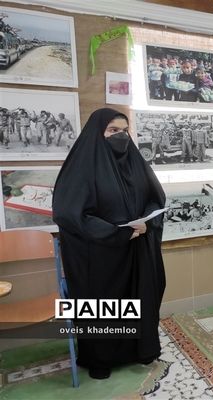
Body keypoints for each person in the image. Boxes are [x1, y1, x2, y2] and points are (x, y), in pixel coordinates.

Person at [52, 108, 166, 380]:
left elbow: (155, 197)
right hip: (99, 254)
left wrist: (146, 223)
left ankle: (140, 350)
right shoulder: (82, 165)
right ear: (97, 133)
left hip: (136, 250)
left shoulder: (135, 162)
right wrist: (117, 232)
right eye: (113, 130)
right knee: (102, 306)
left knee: (141, 297)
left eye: (125, 130)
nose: (121, 136)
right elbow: (69, 213)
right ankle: (100, 359)